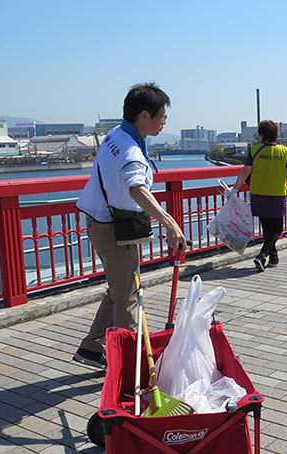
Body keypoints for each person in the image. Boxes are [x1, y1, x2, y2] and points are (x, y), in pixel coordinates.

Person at [73, 83, 187, 370]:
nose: (164, 122)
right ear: (144, 115)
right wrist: (170, 223)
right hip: (114, 229)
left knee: (118, 289)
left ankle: (91, 347)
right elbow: (136, 188)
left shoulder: (116, 133)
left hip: (99, 220)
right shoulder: (131, 151)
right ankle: (129, 366)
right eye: (162, 116)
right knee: (128, 297)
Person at [231, 120, 287, 271]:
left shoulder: (254, 150)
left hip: (258, 194)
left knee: (267, 227)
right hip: (276, 194)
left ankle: (274, 258)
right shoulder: (284, 151)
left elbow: (246, 171)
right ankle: (262, 256)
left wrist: (234, 189)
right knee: (277, 229)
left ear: (261, 135)